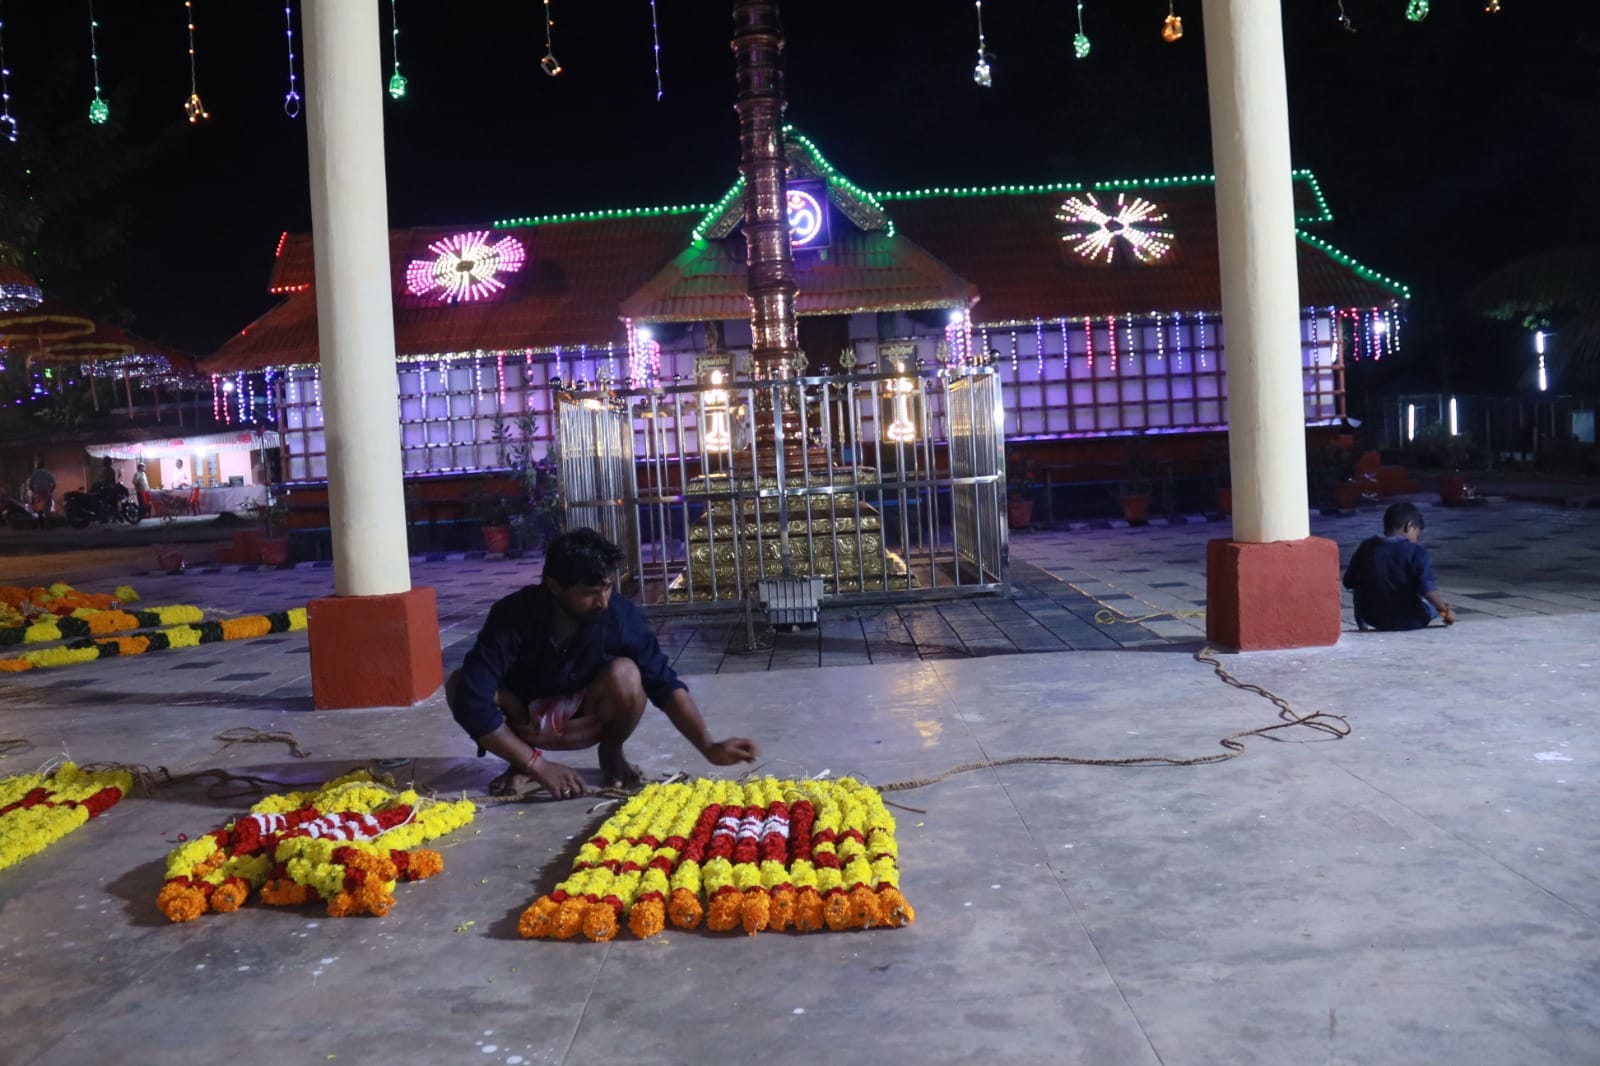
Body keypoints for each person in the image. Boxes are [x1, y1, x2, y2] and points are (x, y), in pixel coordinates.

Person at [446, 527, 759, 799]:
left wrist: (709, 746)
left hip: (585, 717)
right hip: (522, 718)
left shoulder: (620, 616)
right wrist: (536, 765)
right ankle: (521, 762)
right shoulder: (512, 615)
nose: (602, 601)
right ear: (553, 586)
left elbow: (664, 684)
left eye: (607, 587)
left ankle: (611, 753)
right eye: (589, 593)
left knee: (627, 674)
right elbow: (473, 696)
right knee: (460, 684)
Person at [1342, 502, 1456, 631]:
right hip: (1410, 620)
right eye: (1417, 535)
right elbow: (1428, 591)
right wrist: (1446, 612)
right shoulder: (1416, 552)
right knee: (1430, 604)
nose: (1416, 540)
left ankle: (1362, 625)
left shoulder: (1366, 547)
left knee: (1359, 581)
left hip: (1373, 618)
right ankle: (1441, 609)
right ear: (1409, 526)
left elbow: (1348, 581)